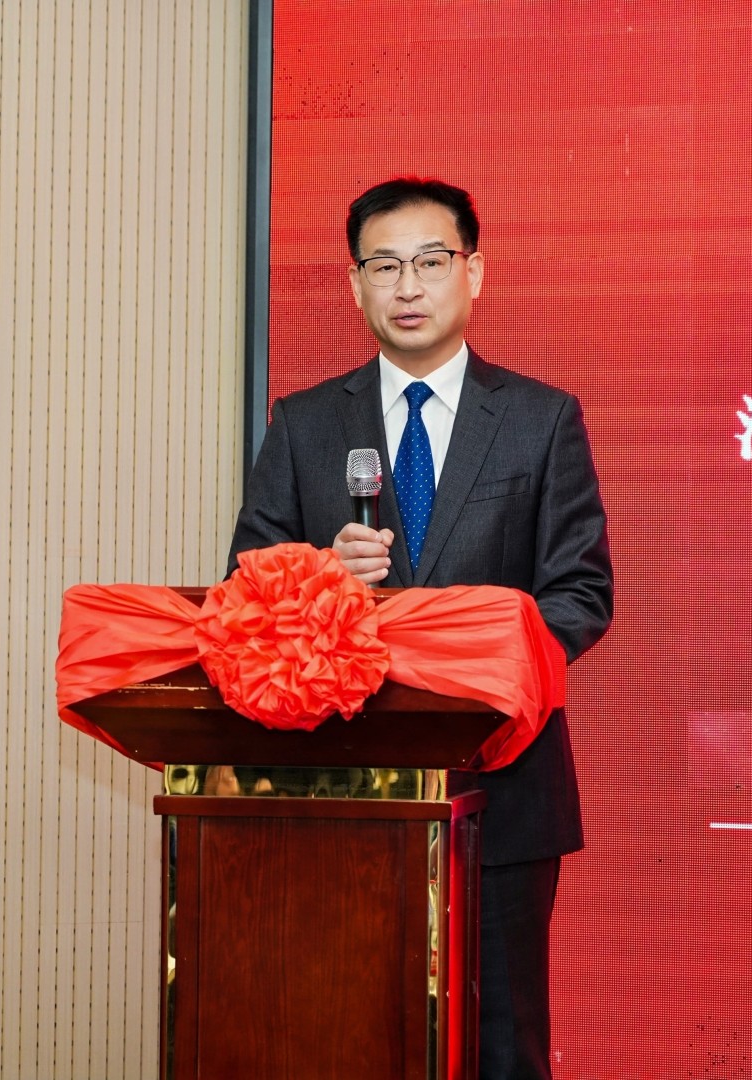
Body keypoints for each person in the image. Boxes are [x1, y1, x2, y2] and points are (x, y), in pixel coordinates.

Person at [228, 176, 613, 1080]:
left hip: (502, 794)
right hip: (338, 797)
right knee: (346, 1039)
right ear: (354, 283)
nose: (407, 287)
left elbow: (580, 593)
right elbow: (244, 591)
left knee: (500, 1047)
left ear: (471, 273)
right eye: (384, 266)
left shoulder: (539, 419)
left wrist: (477, 660)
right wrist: (320, 575)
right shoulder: (304, 424)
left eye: (430, 262)